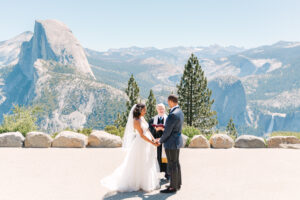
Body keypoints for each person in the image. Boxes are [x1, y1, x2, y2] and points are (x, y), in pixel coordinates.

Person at [101, 103, 160, 192]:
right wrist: (152, 143)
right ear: (140, 110)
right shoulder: (136, 120)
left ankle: (145, 182)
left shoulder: (142, 118)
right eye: (144, 110)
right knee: (140, 162)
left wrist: (153, 139)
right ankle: (137, 183)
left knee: (147, 161)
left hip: (148, 141)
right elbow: (142, 135)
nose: (145, 111)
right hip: (141, 143)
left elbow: (147, 130)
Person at [155, 95, 184, 193]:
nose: (167, 103)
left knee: (172, 164)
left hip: (171, 143)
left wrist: (160, 140)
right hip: (177, 141)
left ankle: (172, 187)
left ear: (171, 101)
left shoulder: (172, 115)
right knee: (176, 163)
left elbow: (167, 132)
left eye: (168, 102)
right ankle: (177, 183)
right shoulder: (179, 111)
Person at [148, 103, 169, 180]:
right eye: (159, 108)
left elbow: (171, 129)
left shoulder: (168, 119)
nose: (161, 110)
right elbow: (149, 130)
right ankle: (154, 174)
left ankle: (167, 174)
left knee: (166, 157)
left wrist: (163, 129)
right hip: (156, 141)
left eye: (162, 108)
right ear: (157, 110)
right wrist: (155, 130)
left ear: (164, 109)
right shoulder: (153, 119)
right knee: (156, 157)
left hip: (165, 141)